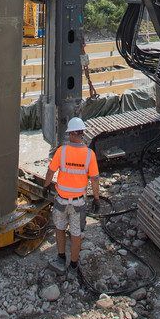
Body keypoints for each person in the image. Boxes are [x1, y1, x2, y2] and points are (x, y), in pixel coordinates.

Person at [44, 117, 100, 274]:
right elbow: (95, 179)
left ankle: (61, 257)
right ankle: (74, 265)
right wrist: (96, 198)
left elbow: (50, 171)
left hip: (61, 201)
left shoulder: (61, 151)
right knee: (76, 234)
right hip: (78, 203)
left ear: (71, 134)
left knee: (60, 228)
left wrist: (46, 186)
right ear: (82, 133)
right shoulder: (89, 155)